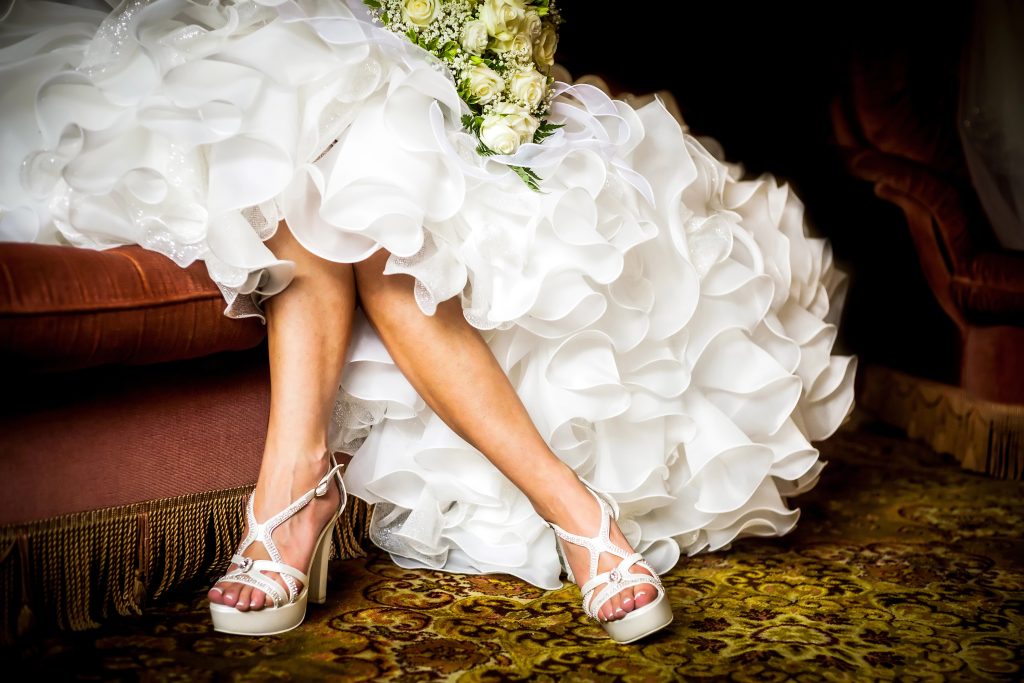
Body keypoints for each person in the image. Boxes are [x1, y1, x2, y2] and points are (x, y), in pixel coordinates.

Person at [0, 0, 857, 643]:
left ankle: (301, 499)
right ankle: (564, 511)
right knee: (289, 111)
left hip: (407, 72)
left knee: (369, 171)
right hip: (225, 40)